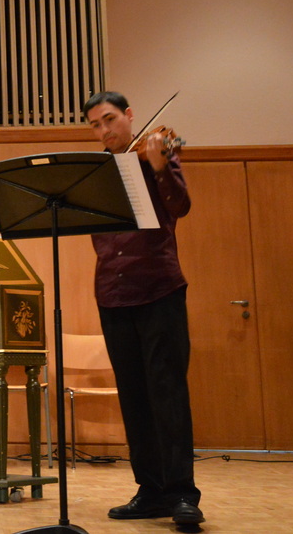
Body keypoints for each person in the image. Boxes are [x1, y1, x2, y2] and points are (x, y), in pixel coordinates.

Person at [83, 91, 203, 526]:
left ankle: (182, 495)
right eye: (95, 125)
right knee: (134, 398)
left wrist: (157, 166)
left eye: (110, 120)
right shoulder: (96, 172)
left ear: (129, 116)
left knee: (167, 395)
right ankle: (150, 490)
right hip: (111, 295)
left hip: (159, 290)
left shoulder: (159, 158)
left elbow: (180, 207)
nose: (104, 131)